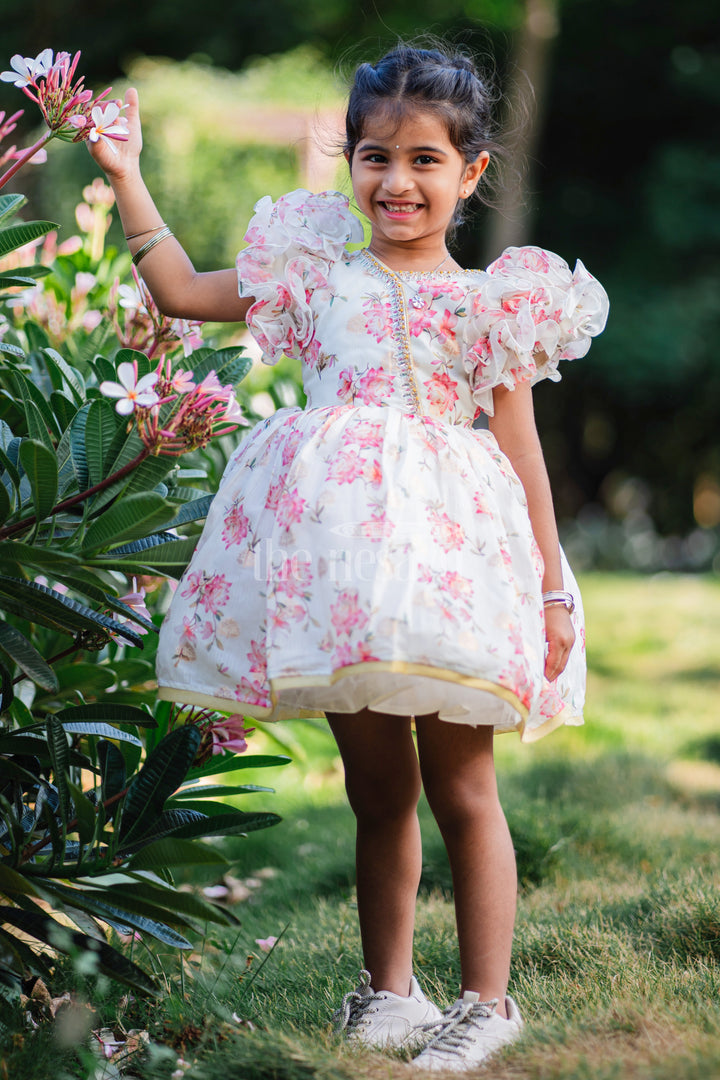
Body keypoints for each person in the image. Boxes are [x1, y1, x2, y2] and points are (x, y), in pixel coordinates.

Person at [90, 42, 608, 1072]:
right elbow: (186, 294)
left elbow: (520, 450)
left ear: (471, 174)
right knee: (376, 790)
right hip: (335, 573)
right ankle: (390, 994)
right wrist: (124, 175)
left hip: (449, 567)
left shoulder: (492, 303)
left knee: (462, 786)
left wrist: (552, 584)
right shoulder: (314, 267)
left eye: (423, 161)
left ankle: (487, 1003)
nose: (396, 181)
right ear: (351, 161)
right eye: (376, 156)